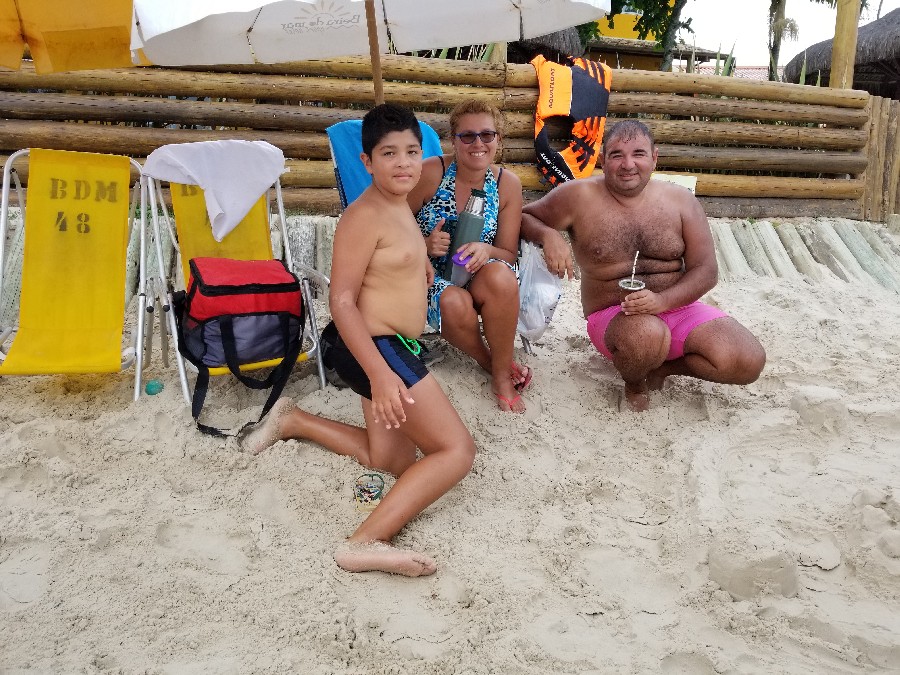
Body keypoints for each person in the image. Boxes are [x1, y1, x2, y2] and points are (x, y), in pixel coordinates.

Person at [245, 104, 476, 577]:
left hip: (385, 346)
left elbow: (388, 262)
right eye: (389, 153)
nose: (403, 163)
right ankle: (364, 541)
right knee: (456, 451)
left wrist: (421, 256)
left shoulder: (399, 205)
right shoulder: (363, 216)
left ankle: (295, 421)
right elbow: (342, 301)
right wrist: (380, 374)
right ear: (367, 162)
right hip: (374, 348)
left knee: (391, 460)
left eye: (411, 151)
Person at [521, 119, 765, 412]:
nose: (628, 165)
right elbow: (524, 217)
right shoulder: (577, 196)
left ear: (654, 157)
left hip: (678, 307)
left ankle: (662, 370)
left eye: (638, 154)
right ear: (602, 160)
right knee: (646, 335)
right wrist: (548, 235)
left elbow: (706, 271)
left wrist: (662, 301)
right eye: (617, 155)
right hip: (614, 316)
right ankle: (635, 383)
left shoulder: (681, 201)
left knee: (747, 359)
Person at [407, 100, 531, 414]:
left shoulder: (506, 185)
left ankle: (501, 379)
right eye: (468, 136)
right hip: (426, 274)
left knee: (501, 277)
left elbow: (508, 254)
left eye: (487, 135)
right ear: (454, 139)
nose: (478, 143)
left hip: (476, 272)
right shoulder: (431, 173)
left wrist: (486, 250)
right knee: (453, 302)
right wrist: (424, 244)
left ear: (498, 140)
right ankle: (491, 363)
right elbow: (390, 225)